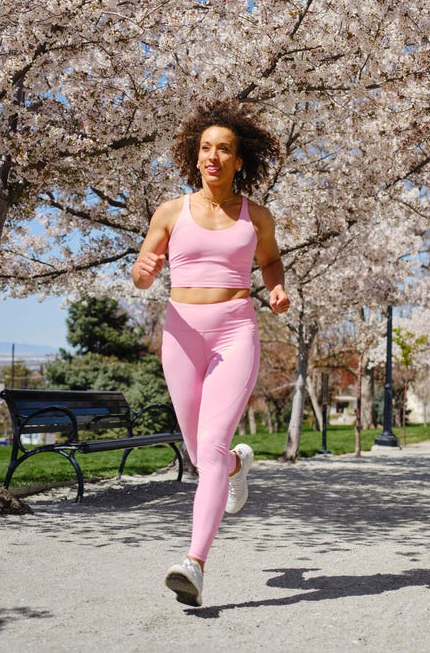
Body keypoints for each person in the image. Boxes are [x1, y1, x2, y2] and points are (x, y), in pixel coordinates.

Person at [132, 100, 289, 607]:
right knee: (204, 456)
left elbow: (270, 263)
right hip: (180, 333)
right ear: (195, 156)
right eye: (205, 149)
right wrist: (146, 270)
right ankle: (236, 469)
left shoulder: (256, 217)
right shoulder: (171, 211)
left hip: (234, 331)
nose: (213, 157)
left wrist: (278, 289)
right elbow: (141, 271)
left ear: (238, 160)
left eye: (223, 149)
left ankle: (194, 563)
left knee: (213, 442)